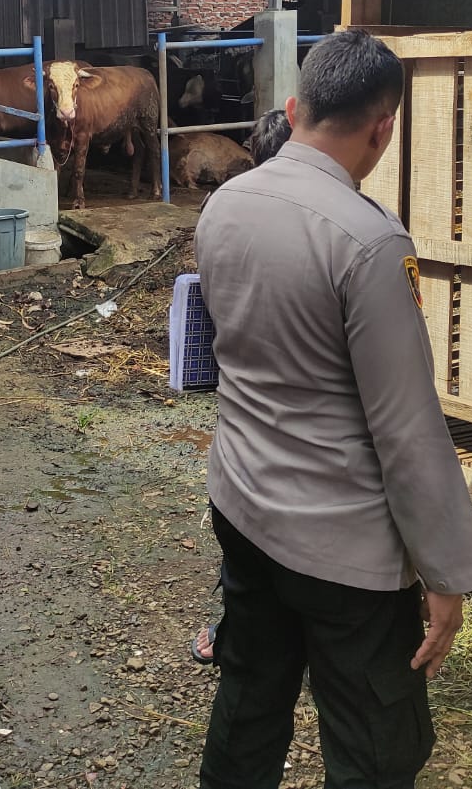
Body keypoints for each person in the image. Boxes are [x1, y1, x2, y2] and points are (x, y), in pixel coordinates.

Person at [194, 30, 472, 788]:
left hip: (242, 498)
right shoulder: (368, 241)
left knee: (249, 698)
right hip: (344, 547)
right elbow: (407, 427)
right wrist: (447, 572)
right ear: (382, 127)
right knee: (371, 741)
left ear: (295, 109)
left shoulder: (225, 203)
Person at [192, 104, 294, 666]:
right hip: (299, 391)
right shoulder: (327, 214)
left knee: (247, 514)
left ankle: (238, 627)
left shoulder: (224, 207)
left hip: (243, 387)